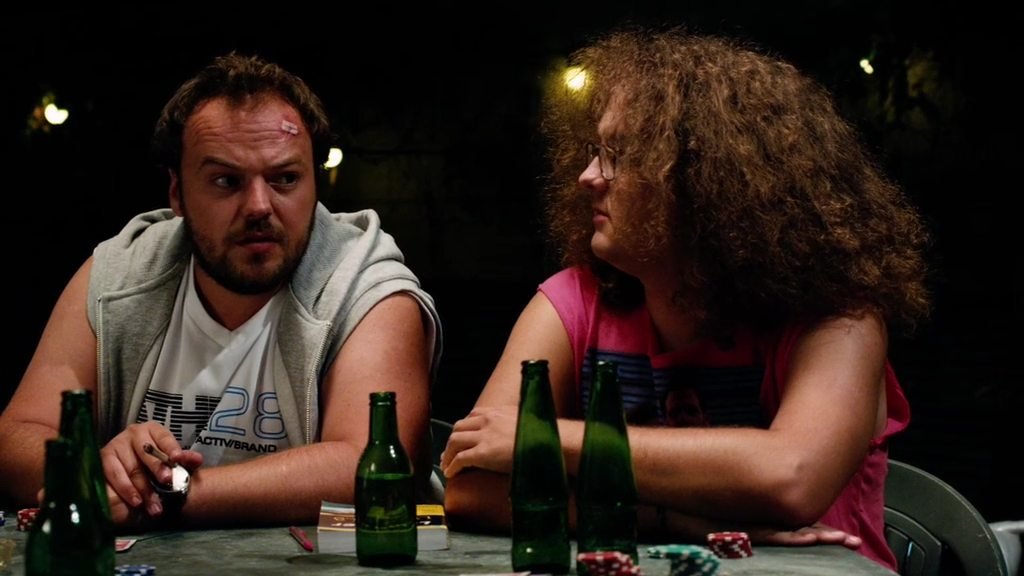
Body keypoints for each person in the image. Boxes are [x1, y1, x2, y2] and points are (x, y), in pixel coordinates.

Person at [441, 26, 930, 570]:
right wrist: (669, 520)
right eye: (595, 151)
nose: (588, 177)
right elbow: (471, 488)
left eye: (619, 155)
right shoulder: (571, 303)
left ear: (707, 182)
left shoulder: (838, 315)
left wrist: (547, 439)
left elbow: (791, 476)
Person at [0, 53, 442, 528]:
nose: (259, 206)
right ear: (177, 194)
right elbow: (14, 436)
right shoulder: (120, 273)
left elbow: (369, 464)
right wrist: (99, 473)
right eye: (227, 181)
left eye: (285, 179)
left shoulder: (366, 285)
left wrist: (164, 492)